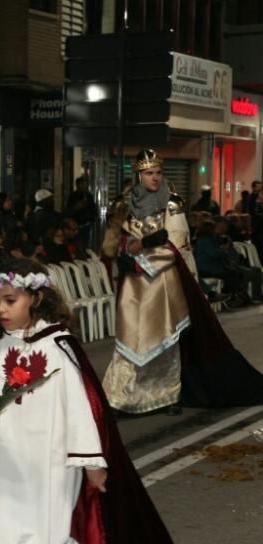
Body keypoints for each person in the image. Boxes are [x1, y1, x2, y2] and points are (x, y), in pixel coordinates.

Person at [0, 258, 228, 544]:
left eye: (10, 301)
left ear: (35, 298)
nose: (1, 309)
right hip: (12, 467)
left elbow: (83, 407)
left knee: (55, 543)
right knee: (10, 543)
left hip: (54, 462)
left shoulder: (58, 345)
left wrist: (92, 461)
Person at [104, 149, 263, 415]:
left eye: (157, 173)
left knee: (163, 340)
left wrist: (141, 257)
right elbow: (113, 241)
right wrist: (121, 256)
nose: (155, 178)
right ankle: (124, 395)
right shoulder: (124, 203)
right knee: (130, 339)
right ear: (139, 174)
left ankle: (166, 395)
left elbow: (177, 246)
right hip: (132, 285)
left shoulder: (171, 203)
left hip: (162, 282)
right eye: (149, 173)